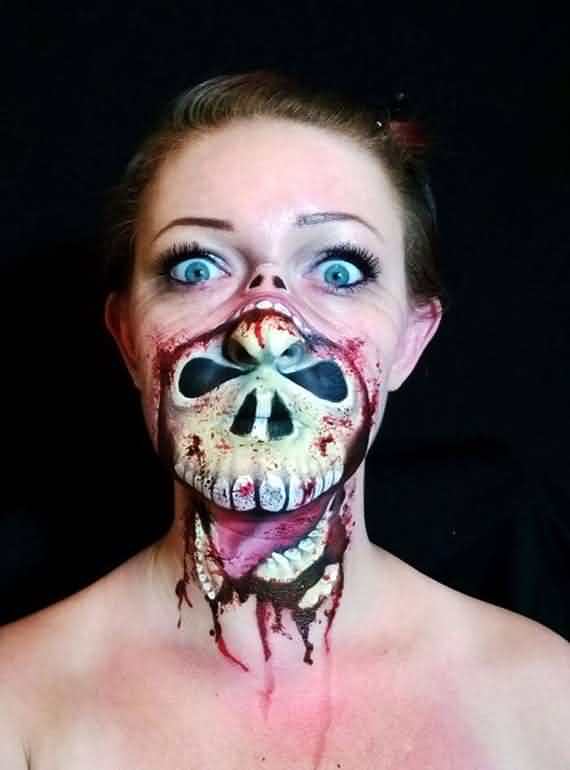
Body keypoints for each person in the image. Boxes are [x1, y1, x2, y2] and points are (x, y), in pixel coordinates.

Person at [1, 70, 569, 769]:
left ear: (410, 341)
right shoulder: (18, 704)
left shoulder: (544, 701)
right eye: (196, 267)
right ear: (128, 340)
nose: (265, 330)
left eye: (338, 271)